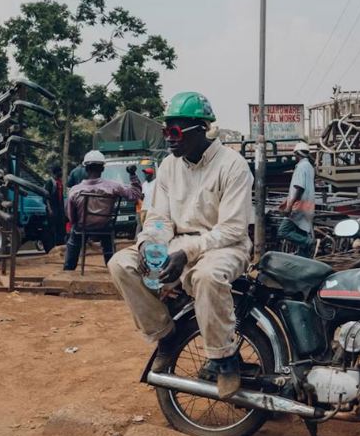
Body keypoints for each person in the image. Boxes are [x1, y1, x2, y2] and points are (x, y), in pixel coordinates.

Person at [108, 91, 253, 399]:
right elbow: (159, 218)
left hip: (224, 247)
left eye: (174, 131)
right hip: (176, 245)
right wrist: (149, 242)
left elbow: (232, 229)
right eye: (165, 131)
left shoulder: (233, 166)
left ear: (201, 129)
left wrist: (185, 251)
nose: (168, 139)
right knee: (121, 264)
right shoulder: (169, 167)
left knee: (206, 276)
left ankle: (224, 359)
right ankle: (166, 335)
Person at [63, 150, 142, 271]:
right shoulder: (114, 186)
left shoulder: (75, 190)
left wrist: (77, 222)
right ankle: (111, 267)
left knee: (74, 235)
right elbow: (135, 195)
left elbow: (71, 216)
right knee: (107, 234)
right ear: (103, 169)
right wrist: (132, 175)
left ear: (86, 168)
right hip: (104, 227)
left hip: (83, 228)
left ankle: (68, 268)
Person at [277, 141, 315, 258]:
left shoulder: (301, 167)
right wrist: (287, 200)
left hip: (299, 206)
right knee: (301, 232)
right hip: (308, 205)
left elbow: (299, 188)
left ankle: (309, 242)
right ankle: (305, 259)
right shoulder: (309, 166)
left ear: (297, 154)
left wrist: (289, 206)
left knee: (283, 231)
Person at [44, 164, 66, 246]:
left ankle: (60, 245)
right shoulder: (50, 182)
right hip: (53, 209)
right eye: (59, 172)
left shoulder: (60, 182)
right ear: (55, 173)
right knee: (53, 229)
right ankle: (53, 246)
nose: (61, 173)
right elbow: (46, 197)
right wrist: (49, 209)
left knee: (61, 229)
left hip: (60, 209)